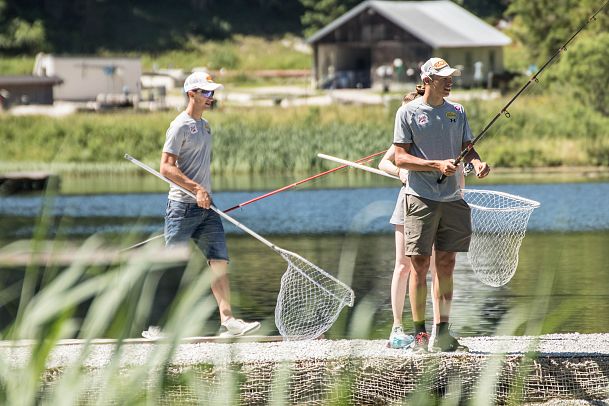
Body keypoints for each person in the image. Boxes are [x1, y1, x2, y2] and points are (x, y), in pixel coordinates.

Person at [145, 71, 260, 338]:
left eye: (212, 92)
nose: (211, 97)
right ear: (191, 94)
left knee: (219, 261)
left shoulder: (206, 127)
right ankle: (158, 326)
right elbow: (165, 167)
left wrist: (203, 193)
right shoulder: (179, 126)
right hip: (181, 208)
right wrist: (196, 189)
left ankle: (228, 320)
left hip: (206, 208)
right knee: (171, 267)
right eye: (205, 92)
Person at [393, 57, 490, 352]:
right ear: (427, 81)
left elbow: (467, 149)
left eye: (451, 77)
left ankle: (443, 333)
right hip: (420, 198)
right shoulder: (407, 112)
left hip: (453, 200)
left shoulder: (457, 112)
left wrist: (477, 163)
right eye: (444, 77)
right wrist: (436, 164)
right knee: (419, 266)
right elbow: (400, 158)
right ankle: (420, 335)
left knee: (447, 265)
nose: (450, 81)